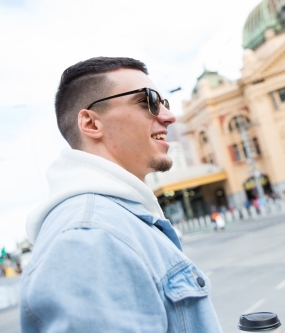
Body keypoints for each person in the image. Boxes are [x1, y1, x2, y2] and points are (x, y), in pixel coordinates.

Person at [20, 57, 222, 332]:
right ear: (91, 123)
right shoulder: (91, 236)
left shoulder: (113, 221)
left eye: (165, 103)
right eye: (147, 101)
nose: (168, 116)